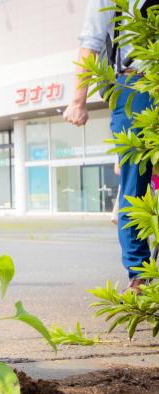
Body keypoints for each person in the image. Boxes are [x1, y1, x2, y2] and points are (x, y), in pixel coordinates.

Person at [64, 0, 156, 292]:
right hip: (135, 87)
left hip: (139, 84)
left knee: (136, 182)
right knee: (135, 182)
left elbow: (89, 45)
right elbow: (89, 45)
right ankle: (139, 276)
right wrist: (78, 100)